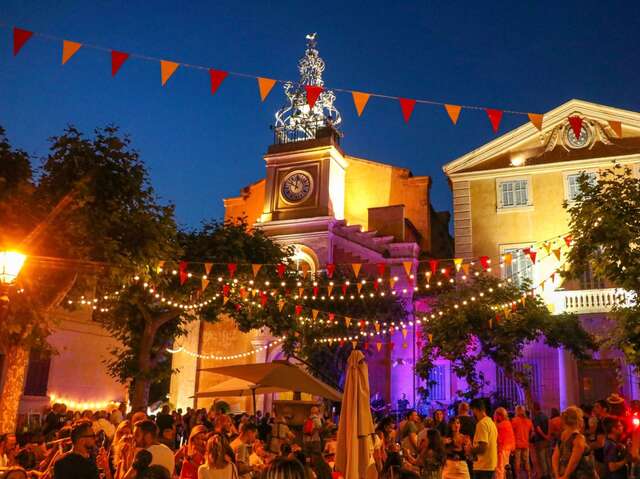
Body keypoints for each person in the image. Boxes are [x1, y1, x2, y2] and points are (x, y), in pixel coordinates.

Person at [552, 406, 596, 479]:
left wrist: (557, 475)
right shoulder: (579, 438)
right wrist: (565, 476)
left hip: (562, 473)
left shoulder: (563, 435)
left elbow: (555, 457)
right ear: (579, 420)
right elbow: (574, 462)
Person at [466, 399, 497, 479]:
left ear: (475, 410)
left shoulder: (482, 424)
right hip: (490, 465)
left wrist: (470, 449)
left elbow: (482, 448)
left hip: (483, 467)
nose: (472, 414)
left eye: (471, 411)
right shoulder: (491, 422)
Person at [511, 405, 533, 479]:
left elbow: (511, 433)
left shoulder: (514, 421)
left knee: (517, 463)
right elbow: (532, 432)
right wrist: (528, 438)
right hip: (526, 444)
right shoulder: (528, 421)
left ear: (516, 411)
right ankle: (529, 477)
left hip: (517, 444)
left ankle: (518, 477)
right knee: (526, 462)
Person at [494, 407, 515, 479]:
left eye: (496, 415)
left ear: (500, 415)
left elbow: (498, 439)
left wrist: (498, 450)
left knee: (499, 469)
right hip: (508, 449)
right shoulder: (508, 423)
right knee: (505, 469)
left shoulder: (499, 426)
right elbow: (512, 437)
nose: (495, 417)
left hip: (501, 449)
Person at [532, 402, 551, 479]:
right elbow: (550, 425)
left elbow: (538, 429)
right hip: (547, 440)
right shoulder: (545, 416)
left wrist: (544, 436)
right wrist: (548, 435)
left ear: (534, 408)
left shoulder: (536, 417)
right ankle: (549, 474)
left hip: (540, 441)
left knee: (542, 459)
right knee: (547, 458)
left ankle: (545, 475)